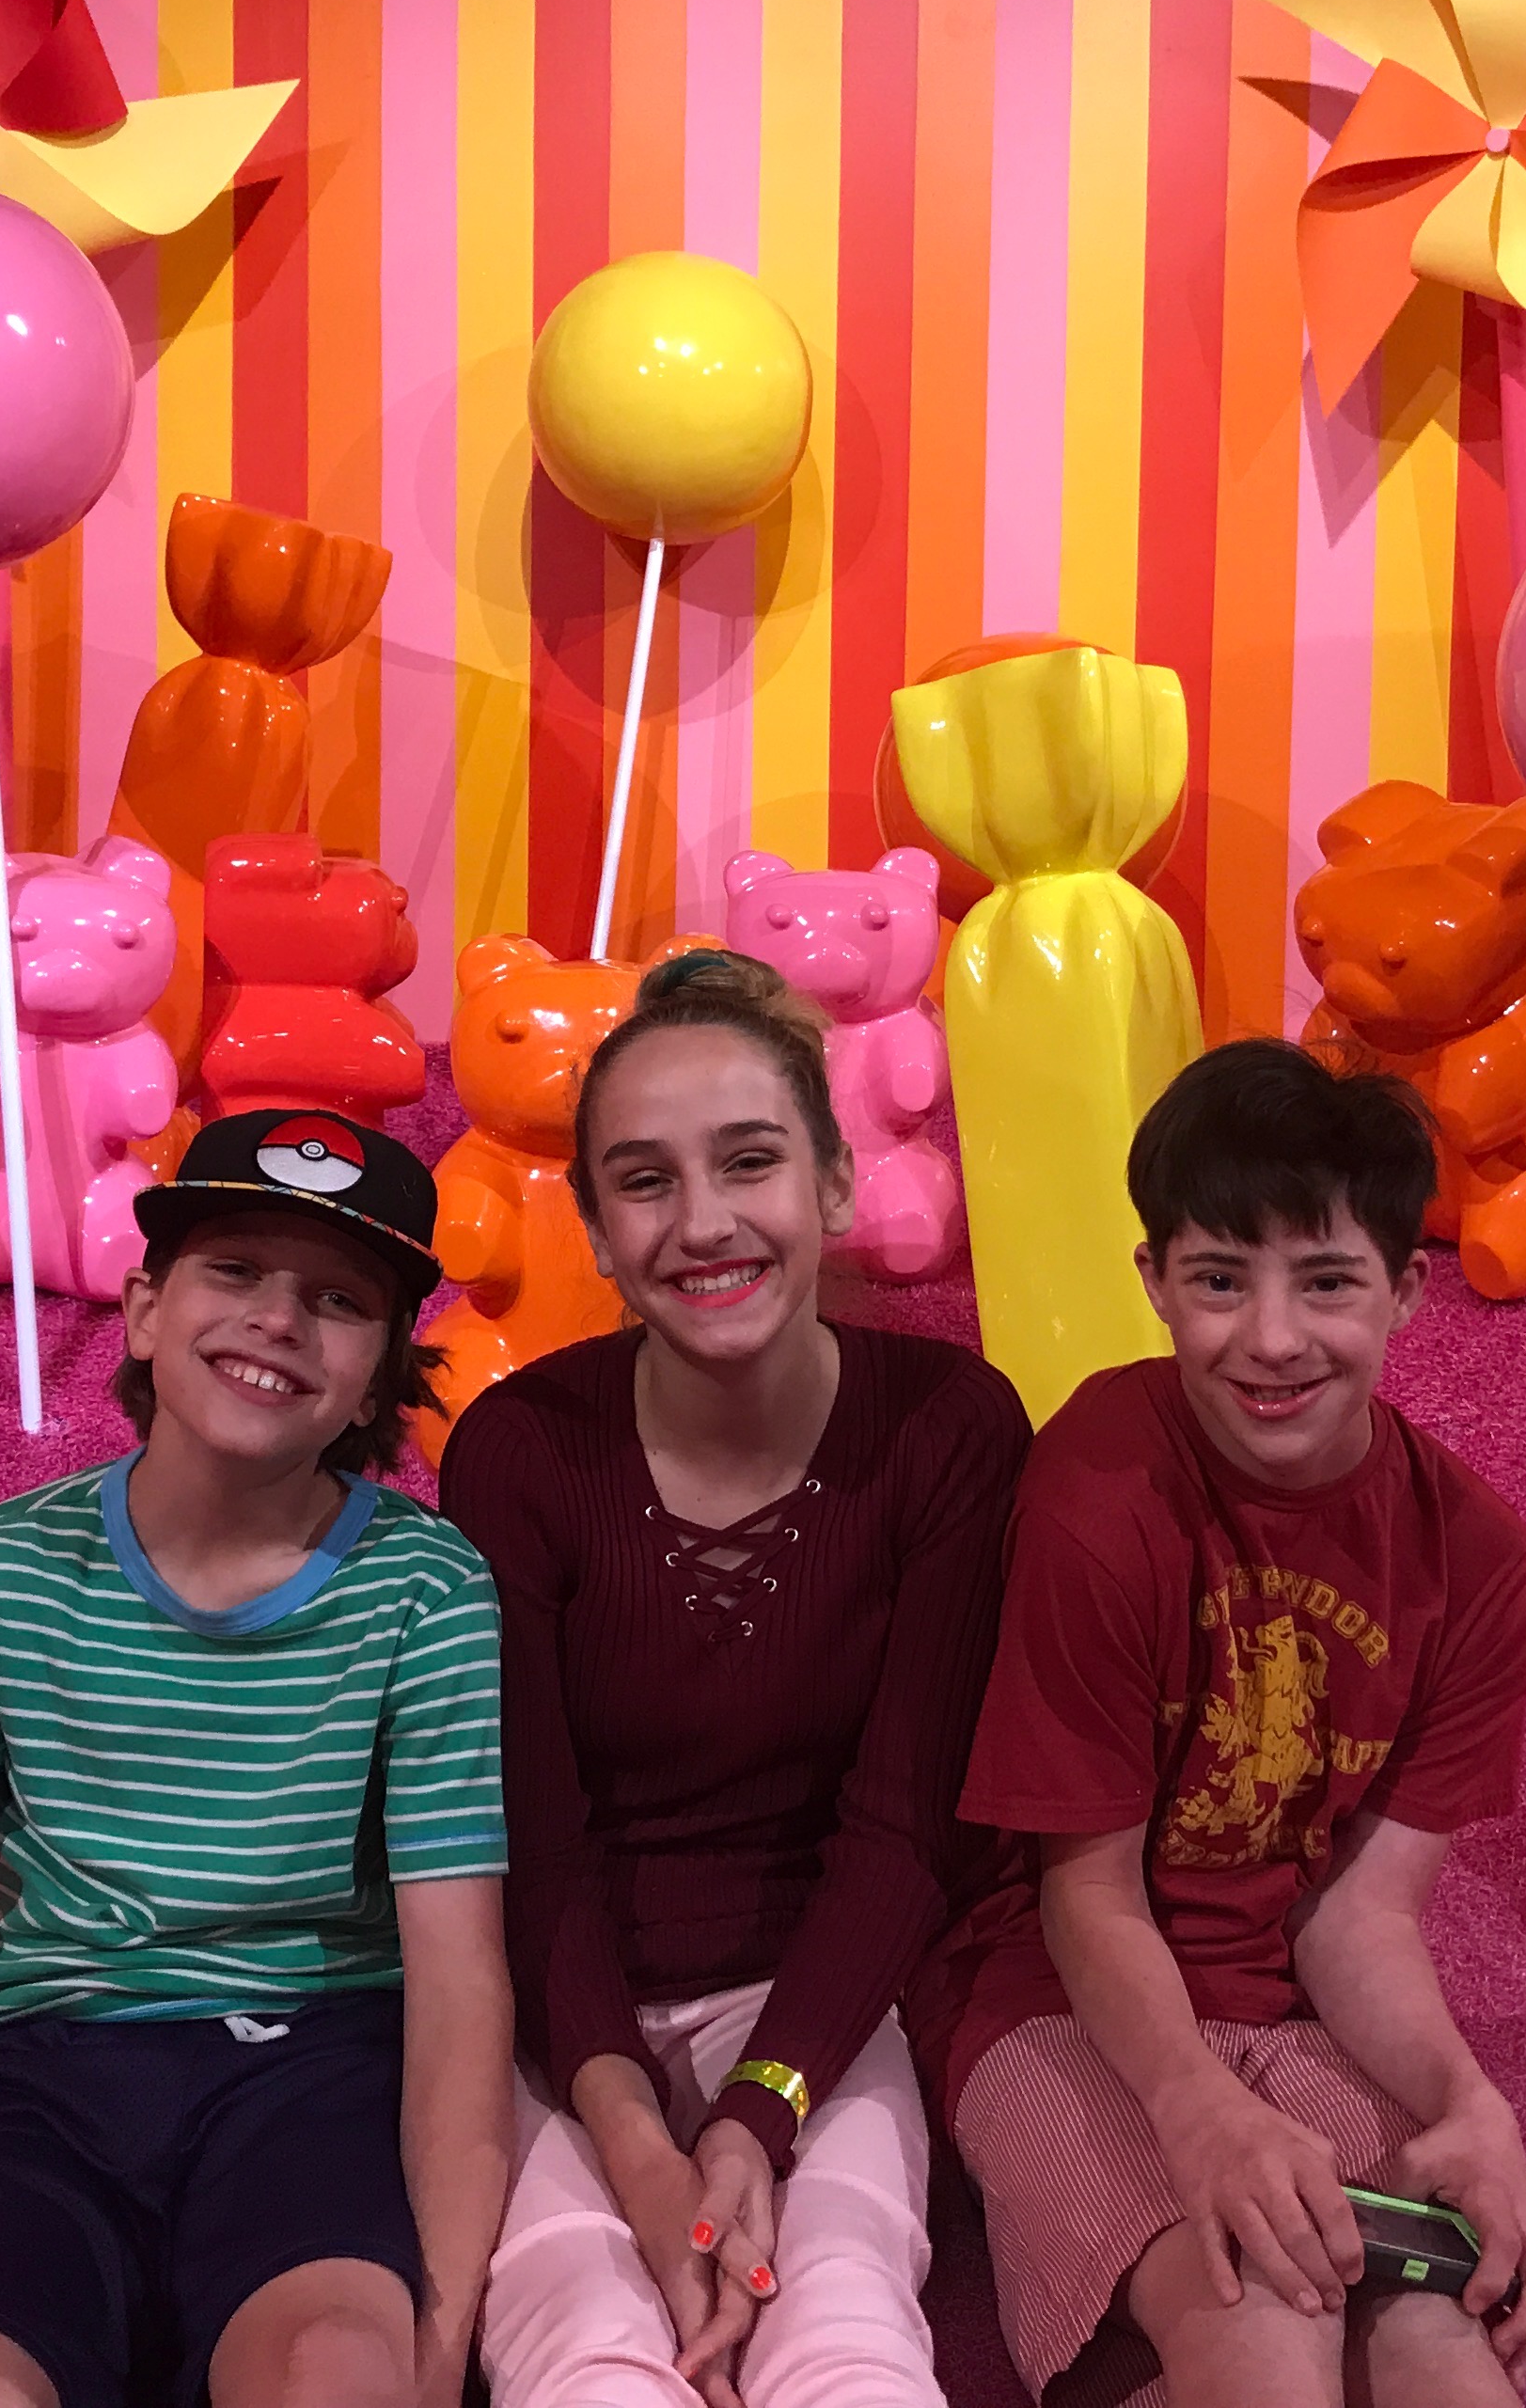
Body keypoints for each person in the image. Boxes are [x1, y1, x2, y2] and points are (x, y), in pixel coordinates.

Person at [0, 1109, 517, 2408]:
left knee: (335, 2374)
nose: (277, 1319)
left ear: (381, 1374)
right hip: (41, 2066)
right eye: (234, 1270)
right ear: (141, 1310)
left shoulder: (429, 1589)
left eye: (338, 1299)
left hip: (316, 2061)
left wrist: (439, 2349)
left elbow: (459, 1981)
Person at [923, 1040, 1526, 2408]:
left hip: (1286, 2006)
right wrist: (1201, 2113)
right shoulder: (1099, 1495)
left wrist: (1469, 2100)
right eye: (1220, 1280)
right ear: (1153, 1281)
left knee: (1442, 2345)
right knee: (1263, 2326)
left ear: (1406, 1292)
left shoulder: (1483, 1566)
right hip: (1048, 1996)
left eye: (1326, 1281)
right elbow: (1084, 1896)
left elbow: (1362, 1913)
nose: (1272, 1340)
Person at [440, 949, 1031, 2408]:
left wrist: (760, 2110)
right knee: (588, 2354)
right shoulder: (518, 1452)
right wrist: (632, 2137)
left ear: (833, 1184)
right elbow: (529, 1845)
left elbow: (907, 1831)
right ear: (594, 1230)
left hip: (818, 1993)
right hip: (552, 2011)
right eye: (644, 1182)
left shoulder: (948, 1428)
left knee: (848, 2343)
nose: (703, 1222)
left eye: (750, 1161)